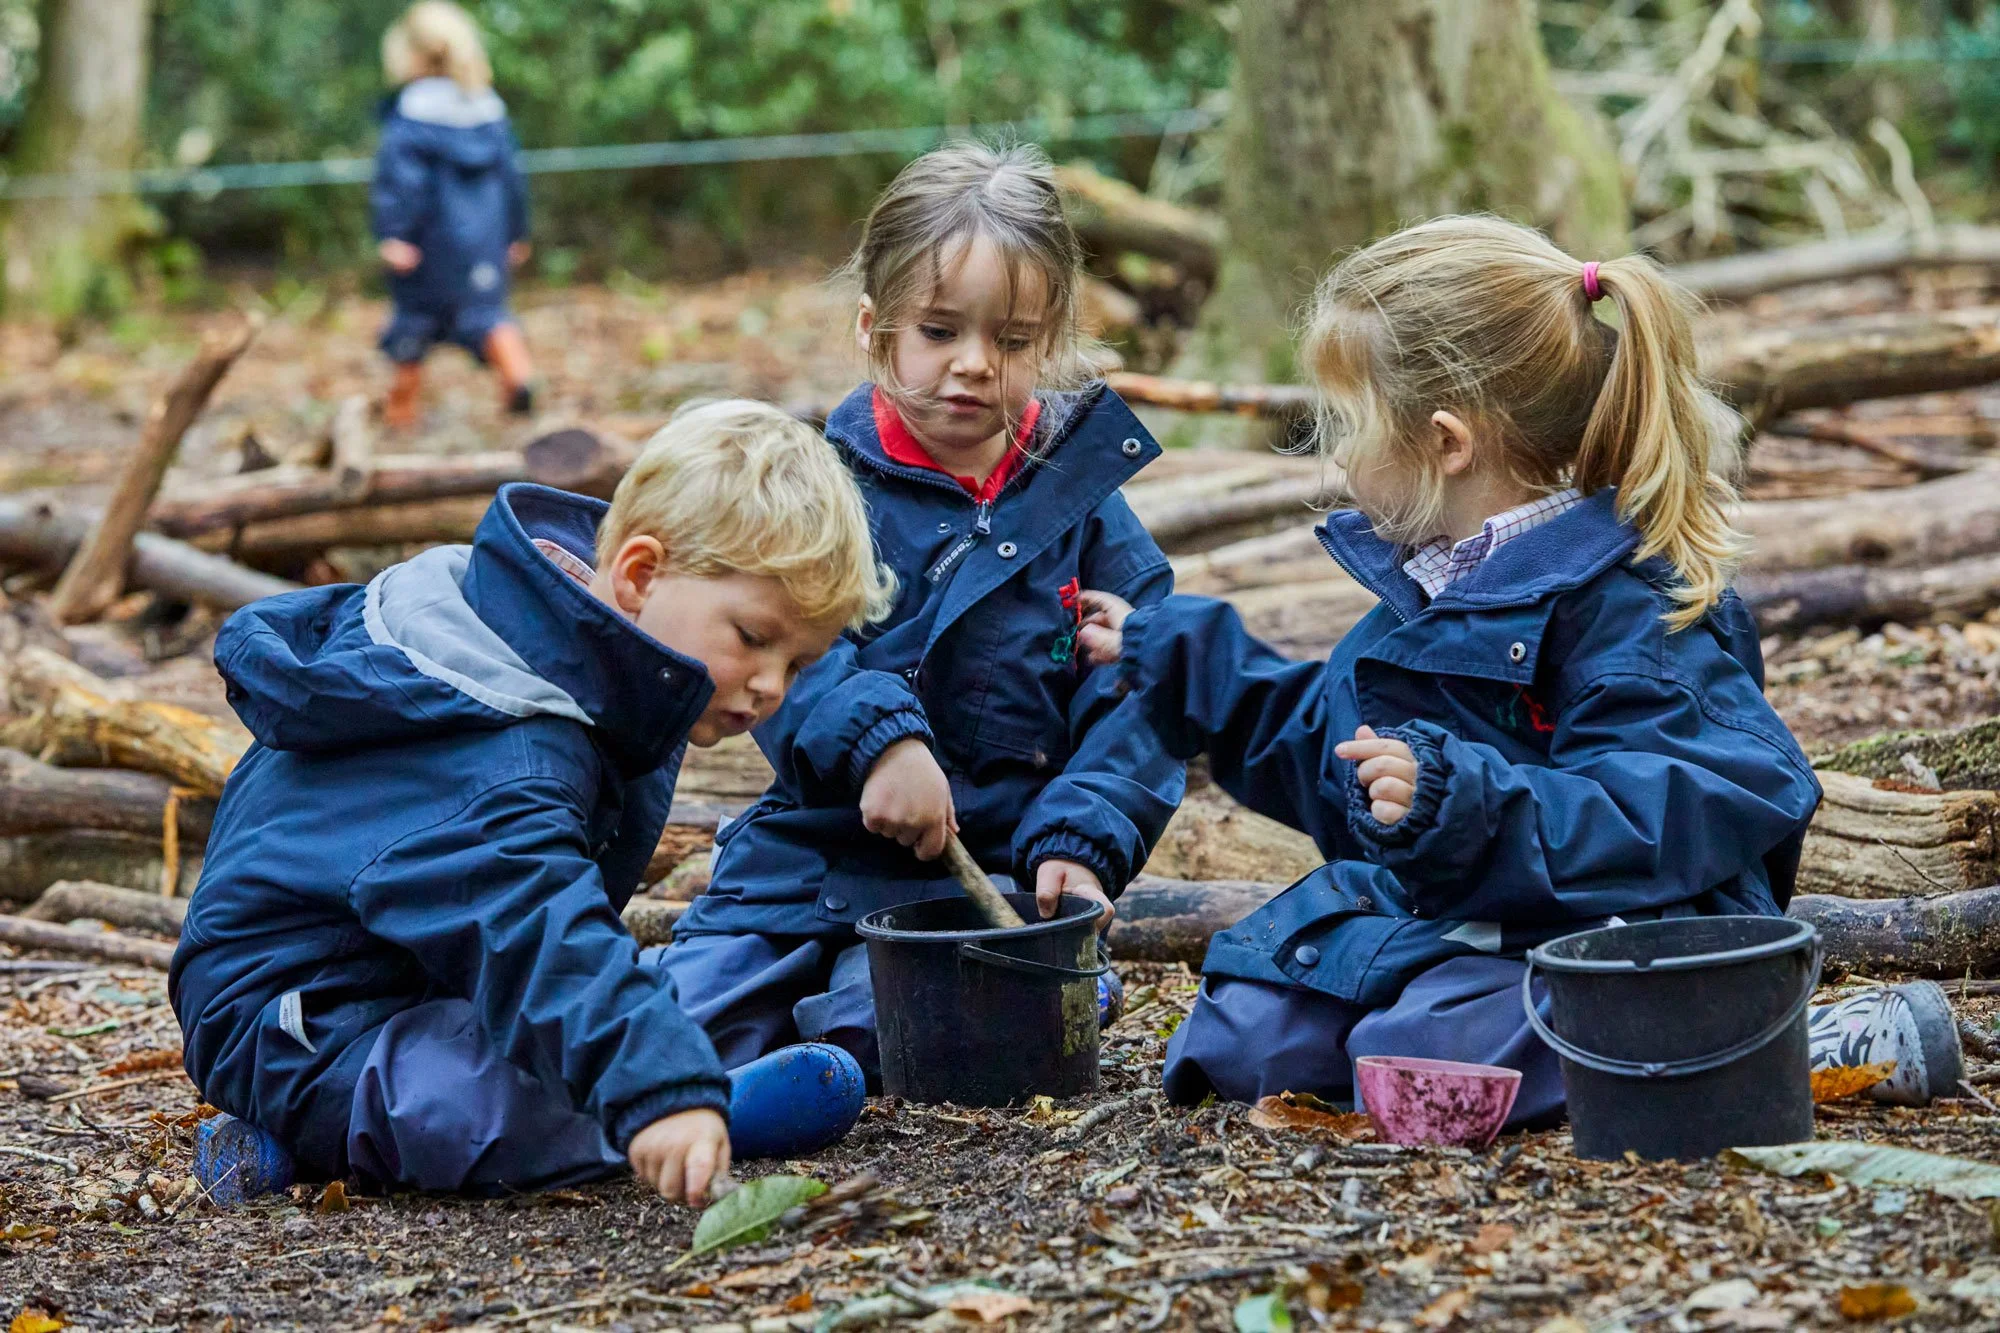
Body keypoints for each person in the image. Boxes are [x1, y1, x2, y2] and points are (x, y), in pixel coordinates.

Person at [1077, 215, 1961, 1123]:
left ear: (1447, 443)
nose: (1337, 455)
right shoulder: (1430, 584)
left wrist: (1469, 806)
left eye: (1347, 424)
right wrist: (1185, 660)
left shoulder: (1630, 608)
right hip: (1458, 927)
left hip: (1613, 942)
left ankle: (1777, 1044)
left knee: (1425, 1055)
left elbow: (1706, 792)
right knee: (1244, 1036)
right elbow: (1334, 747)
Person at [171, 400, 894, 1203]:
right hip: (303, 1023)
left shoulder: (579, 653)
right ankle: (702, 1114)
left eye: (797, 665)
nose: (770, 686)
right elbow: (533, 925)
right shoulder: (506, 742)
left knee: (659, 998)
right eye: (754, 639)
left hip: (440, 977)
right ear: (641, 574)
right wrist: (656, 1091)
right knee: (494, 1101)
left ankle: (683, 1092)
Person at [658, 142, 1186, 1078]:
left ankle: (819, 1068)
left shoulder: (1083, 504)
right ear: (876, 331)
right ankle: (722, 1070)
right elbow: (785, 656)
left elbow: (1144, 690)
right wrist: (883, 743)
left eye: (1013, 341)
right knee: (682, 1025)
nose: (975, 365)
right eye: (940, 331)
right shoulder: (822, 484)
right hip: (813, 856)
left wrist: (1085, 836)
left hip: (984, 876)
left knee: (908, 1033)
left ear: (1051, 339)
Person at [372, 1, 535, 430]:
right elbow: (511, 179)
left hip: (427, 243)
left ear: (408, 54)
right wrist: (516, 232)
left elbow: (402, 184)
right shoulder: (488, 110)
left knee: (414, 323)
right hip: (483, 241)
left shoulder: (411, 116)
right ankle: (518, 374)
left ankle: (401, 410)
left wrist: (395, 234)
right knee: (487, 314)